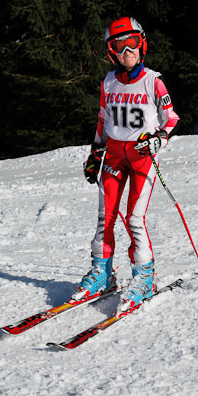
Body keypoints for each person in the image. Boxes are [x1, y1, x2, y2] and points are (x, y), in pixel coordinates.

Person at [72, 17, 180, 314]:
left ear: (141, 43)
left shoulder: (153, 81)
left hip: (143, 155)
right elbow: (103, 119)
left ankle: (144, 277)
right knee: (104, 217)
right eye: (119, 45)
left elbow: (171, 119)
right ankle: (102, 274)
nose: (127, 50)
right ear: (111, 51)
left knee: (134, 218)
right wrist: (96, 152)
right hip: (115, 155)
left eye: (132, 43)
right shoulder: (108, 81)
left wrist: (159, 138)